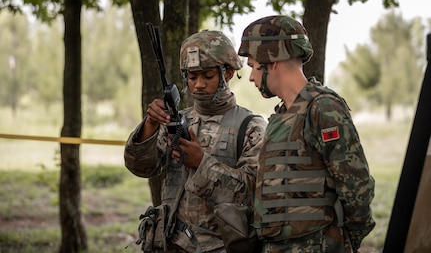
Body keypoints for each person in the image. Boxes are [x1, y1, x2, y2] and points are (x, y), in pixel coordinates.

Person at [237, 15, 375, 253]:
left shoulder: (323, 108)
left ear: (271, 60)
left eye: (252, 66)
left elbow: (356, 187)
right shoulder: (282, 115)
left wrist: (345, 241)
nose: (251, 77)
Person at [124, 30, 267, 252]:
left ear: (227, 74)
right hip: (168, 243)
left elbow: (254, 192)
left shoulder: (250, 126)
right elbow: (141, 167)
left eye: (207, 76)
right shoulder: (177, 121)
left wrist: (202, 164)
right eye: (192, 77)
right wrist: (150, 125)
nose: (198, 84)